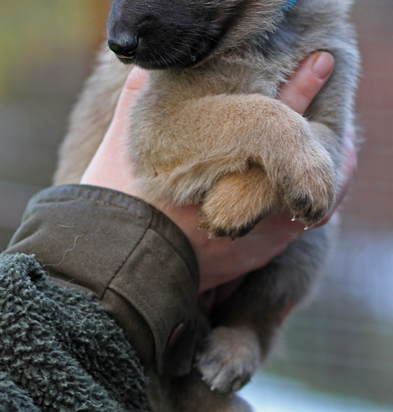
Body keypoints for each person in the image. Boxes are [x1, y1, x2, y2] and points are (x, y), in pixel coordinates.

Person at [0, 52, 356, 411]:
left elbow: (322, 159)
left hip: (201, 296)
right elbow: (158, 144)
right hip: (112, 281)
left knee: (316, 202)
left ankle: (247, 328)